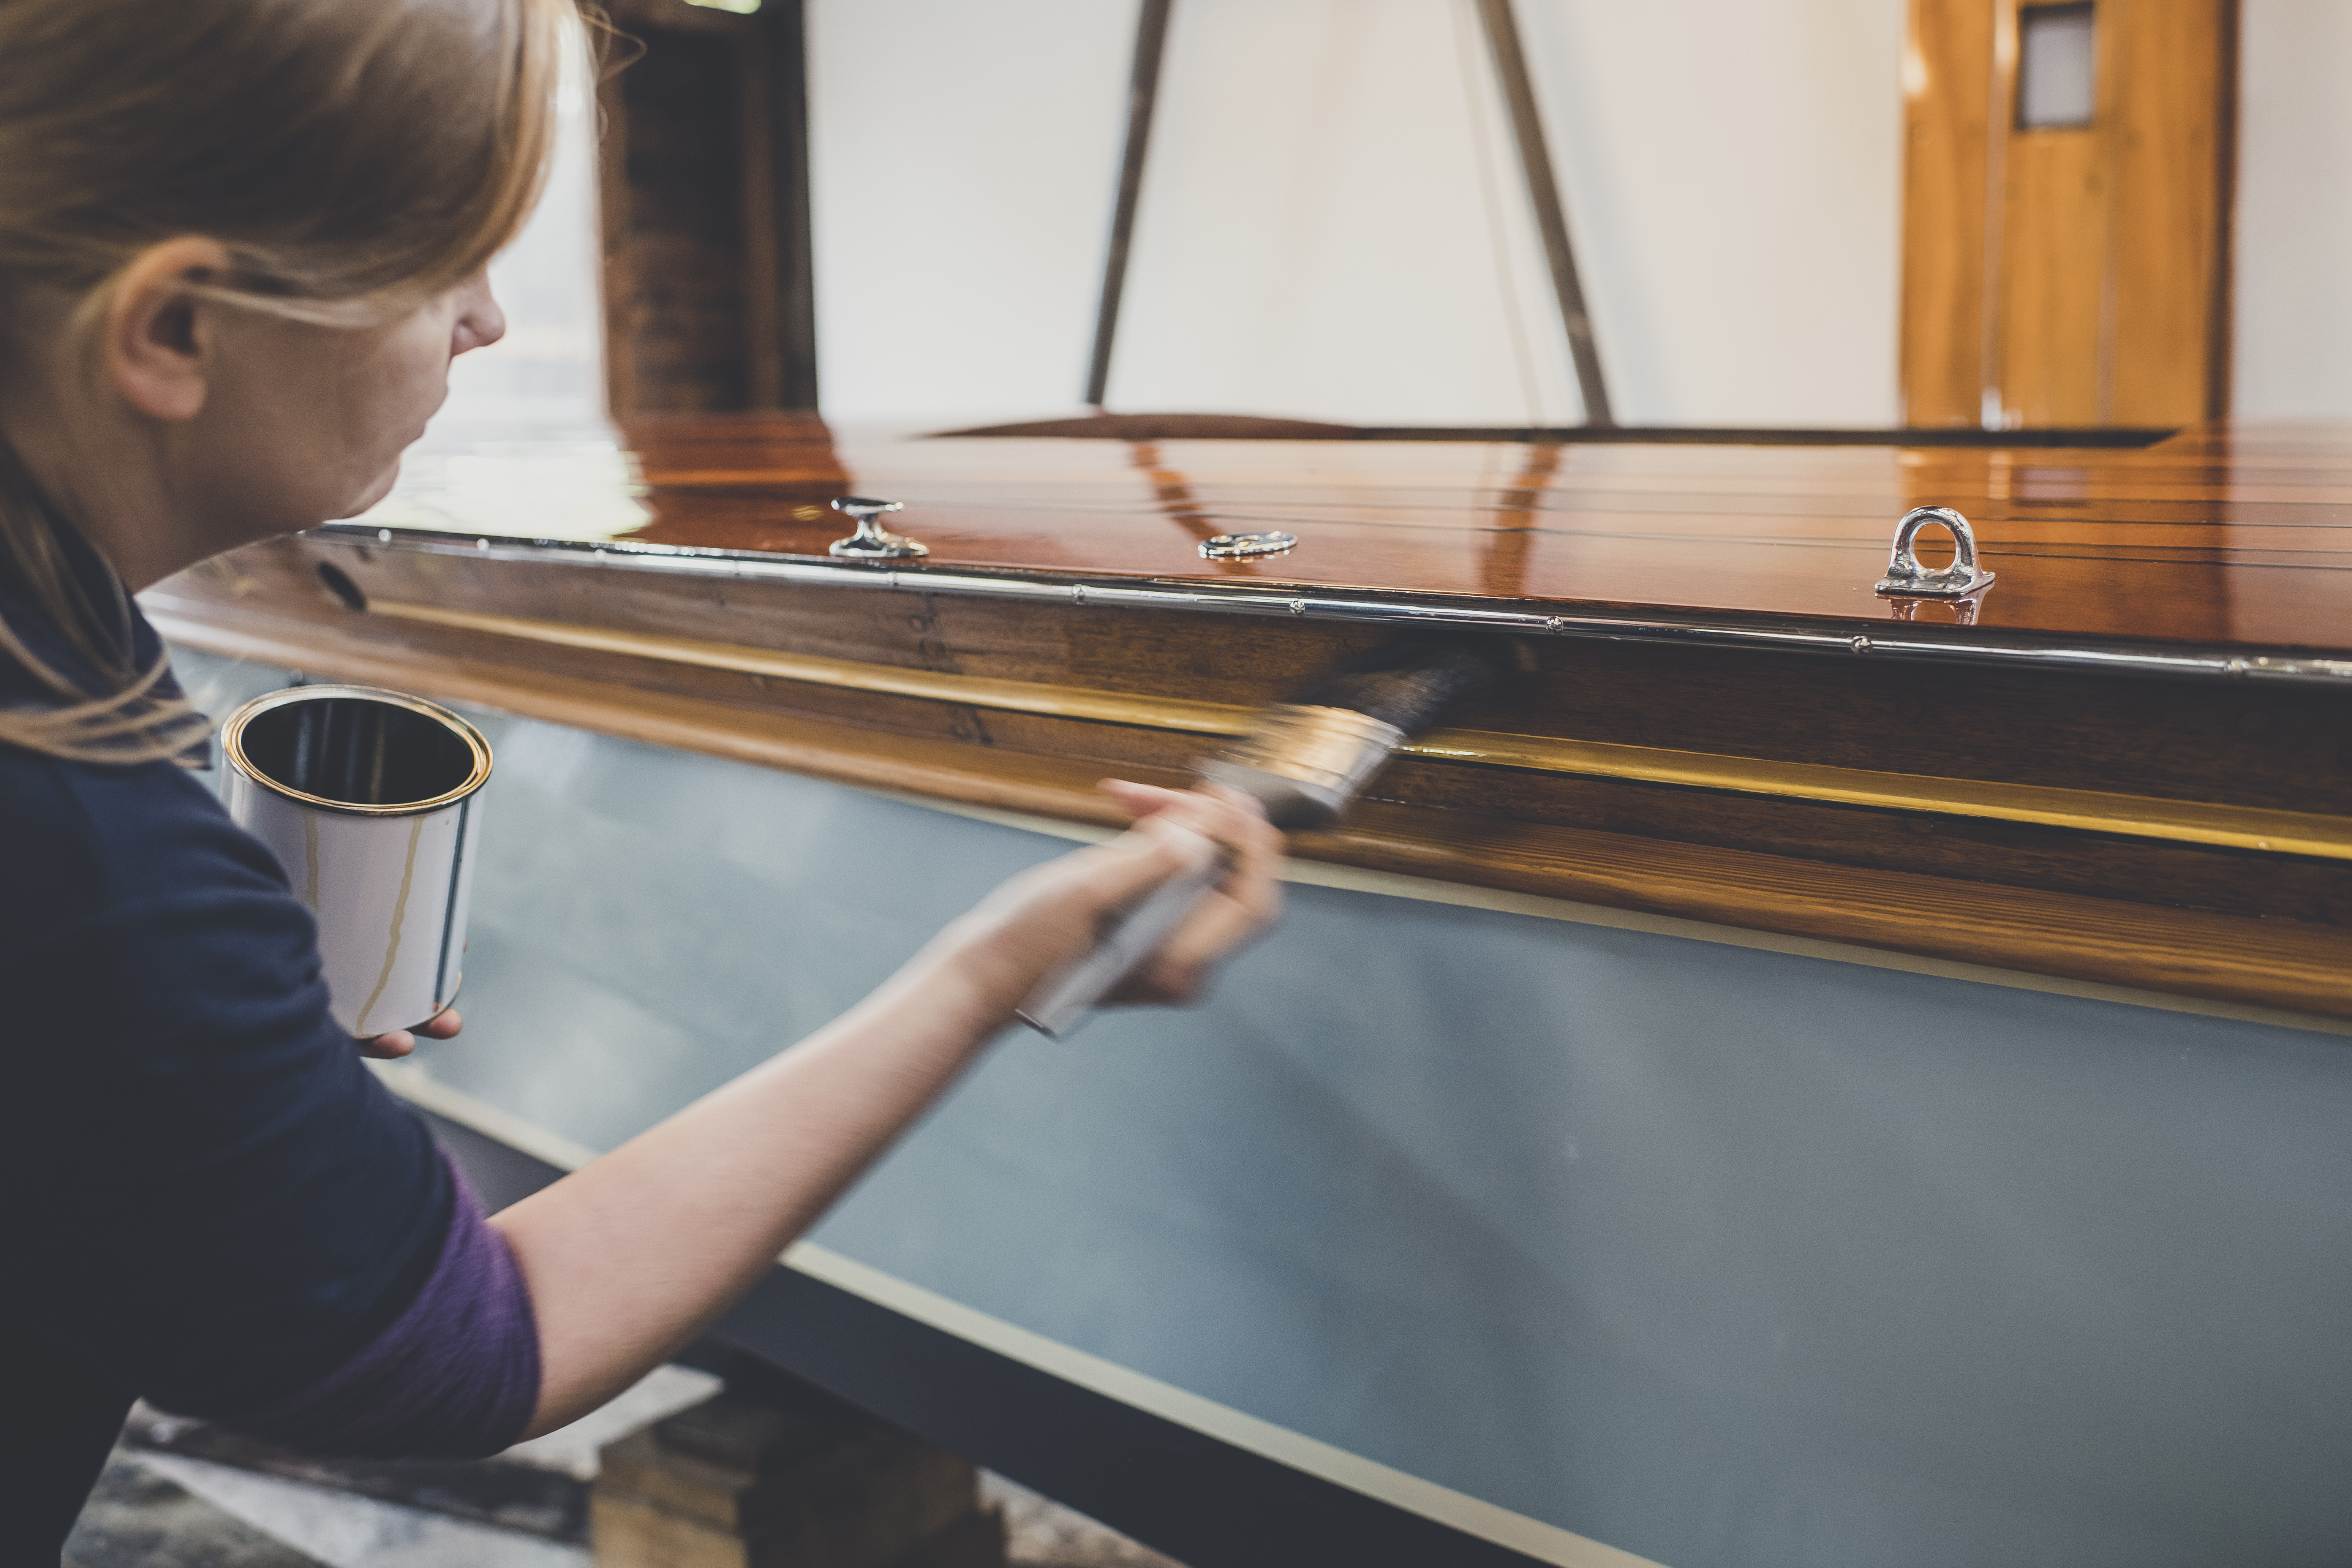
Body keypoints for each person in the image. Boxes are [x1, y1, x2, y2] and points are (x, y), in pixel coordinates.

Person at [0, 0, 1282, 1550]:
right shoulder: (89, 848)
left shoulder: (68, 689)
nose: (485, 320)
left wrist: (220, 1043)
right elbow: (481, 1344)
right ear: (172, 329)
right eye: (444, 257)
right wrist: (984, 974)